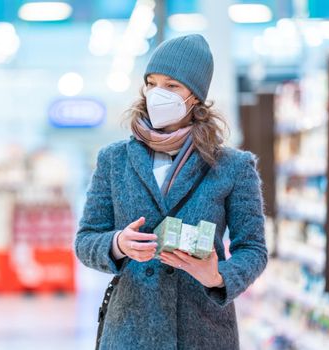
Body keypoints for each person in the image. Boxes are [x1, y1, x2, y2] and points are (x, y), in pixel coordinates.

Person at [74, 34, 268, 349]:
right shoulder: (114, 160)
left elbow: (253, 250)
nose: (157, 94)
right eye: (151, 83)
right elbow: (86, 240)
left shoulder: (233, 166)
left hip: (202, 333)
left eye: (172, 86)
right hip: (130, 332)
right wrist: (118, 243)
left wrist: (218, 276)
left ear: (195, 96)